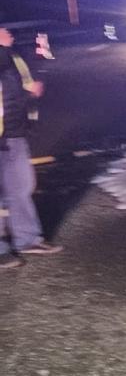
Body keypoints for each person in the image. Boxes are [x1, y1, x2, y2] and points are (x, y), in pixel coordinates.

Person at [0, 24, 62, 268]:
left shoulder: (12, 52)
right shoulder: (5, 51)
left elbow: (15, 87)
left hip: (14, 131)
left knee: (21, 187)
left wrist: (31, 93)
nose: (7, 30)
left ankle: (28, 239)